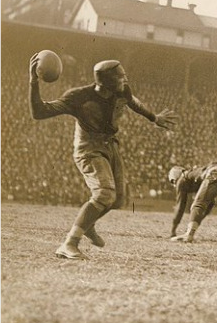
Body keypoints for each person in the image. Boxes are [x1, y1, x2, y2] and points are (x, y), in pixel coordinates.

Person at [28, 57, 177, 259]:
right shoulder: (79, 97)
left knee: (119, 199)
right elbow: (39, 112)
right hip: (88, 147)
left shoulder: (122, 90)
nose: (125, 79)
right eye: (120, 77)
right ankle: (69, 243)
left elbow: (133, 102)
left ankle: (87, 223)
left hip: (110, 145)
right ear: (107, 82)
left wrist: (154, 118)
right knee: (105, 193)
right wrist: (33, 82)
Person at [168, 165, 209, 238]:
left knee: (195, 206)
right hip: (206, 177)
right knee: (208, 204)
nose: (174, 184)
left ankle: (189, 227)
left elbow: (180, 207)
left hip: (203, 177)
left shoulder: (181, 179)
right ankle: (192, 226)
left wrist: (173, 230)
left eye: (173, 181)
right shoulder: (191, 174)